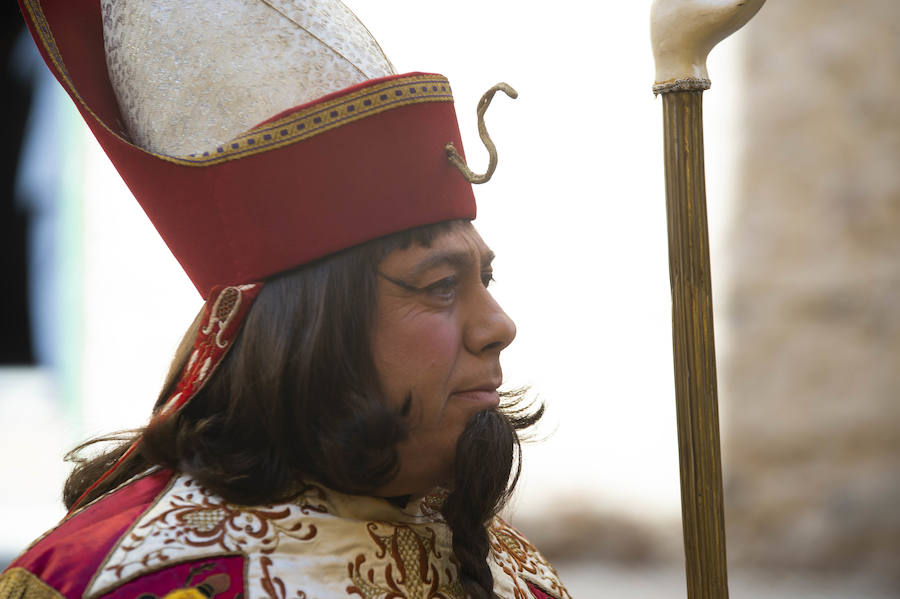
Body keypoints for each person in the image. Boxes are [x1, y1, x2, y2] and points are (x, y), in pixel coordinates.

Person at [2, 1, 572, 598]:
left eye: (486, 279)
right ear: (308, 328)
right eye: (440, 287)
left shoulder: (512, 569)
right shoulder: (125, 580)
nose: (498, 326)